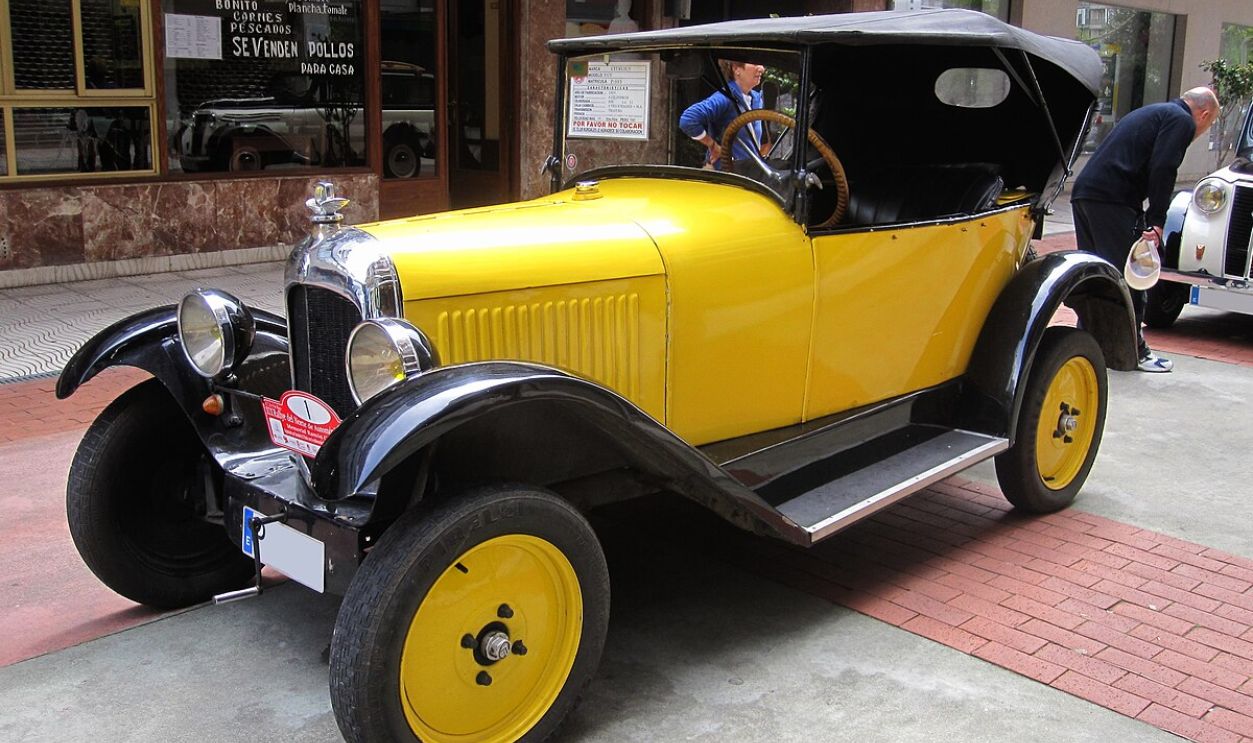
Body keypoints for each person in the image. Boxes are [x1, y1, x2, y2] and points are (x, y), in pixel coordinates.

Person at [1071, 86, 1220, 373]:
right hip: (1114, 199)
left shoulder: (1154, 112)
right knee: (1131, 276)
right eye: (1209, 123)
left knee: (1096, 275)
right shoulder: (1181, 120)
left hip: (1087, 192)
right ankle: (1133, 352)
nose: (1201, 130)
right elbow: (1164, 167)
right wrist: (1157, 221)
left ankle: (1087, 344)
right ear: (1203, 114)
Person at [678, 60, 767, 171]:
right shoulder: (725, 97)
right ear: (736, 69)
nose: (762, 69)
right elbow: (688, 119)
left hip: (748, 174)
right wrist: (713, 146)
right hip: (727, 176)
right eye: (754, 63)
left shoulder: (756, 99)